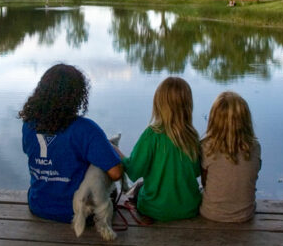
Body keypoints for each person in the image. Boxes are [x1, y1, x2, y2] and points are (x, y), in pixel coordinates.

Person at [19, 63, 123, 223]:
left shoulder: (29, 125)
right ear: (78, 95)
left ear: (42, 91)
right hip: (79, 214)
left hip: (38, 205)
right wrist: (111, 150)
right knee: (109, 190)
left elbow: (30, 152)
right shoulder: (86, 129)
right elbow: (116, 174)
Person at [122, 76, 202, 221]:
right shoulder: (192, 136)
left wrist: (116, 151)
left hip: (153, 209)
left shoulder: (151, 135)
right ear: (188, 104)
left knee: (138, 187)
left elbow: (133, 170)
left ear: (158, 103)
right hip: (190, 208)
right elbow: (196, 172)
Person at [200, 91, 261, 222]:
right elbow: (253, 176)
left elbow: (204, 182)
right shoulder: (255, 147)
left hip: (211, 213)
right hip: (245, 214)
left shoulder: (206, 147)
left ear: (213, 119)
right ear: (245, 120)